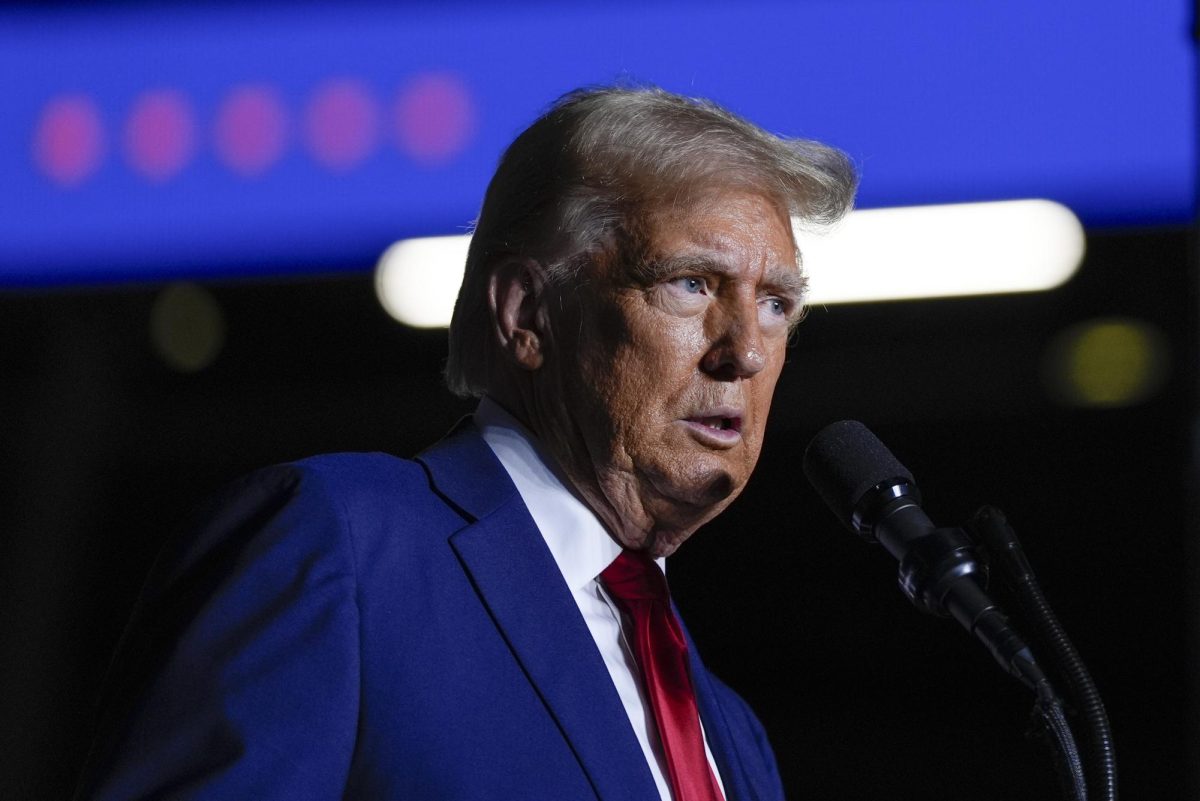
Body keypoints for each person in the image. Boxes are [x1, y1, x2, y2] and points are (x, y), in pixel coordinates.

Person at [74, 85, 856, 800]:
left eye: (778, 303)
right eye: (691, 283)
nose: (746, 350)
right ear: (526, 313)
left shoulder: (734, 735)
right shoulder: (342, 549)